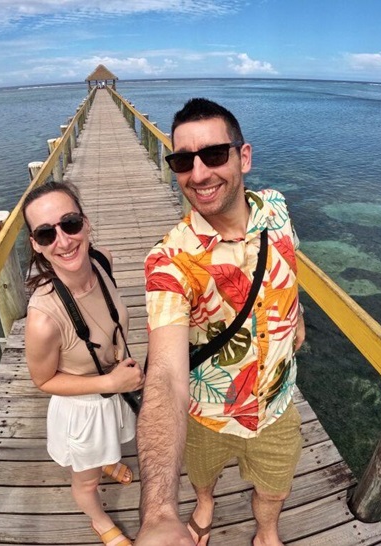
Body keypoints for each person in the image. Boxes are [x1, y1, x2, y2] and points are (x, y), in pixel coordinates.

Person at [136, 98, 306, 546]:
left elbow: (289, 268)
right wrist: (157, 513)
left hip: (277, 403)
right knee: (202, 477)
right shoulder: (169, 261)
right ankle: (204, 504)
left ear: (243, 157)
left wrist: (296, 316)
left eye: (213, 155)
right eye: (182, 160)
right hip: (206, 413)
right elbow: (167, 376)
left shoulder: (277, 208)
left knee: (275, 488)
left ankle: (266, 532)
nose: (198, 174)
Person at [23, 181, 145, 546]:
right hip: (85, 407)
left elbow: (109, 319)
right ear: (36, 245)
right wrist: (109, 384)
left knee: (112, 447)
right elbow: (43, 381)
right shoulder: (43, 319)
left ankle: (106, 460)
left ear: (86, 223)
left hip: (113, 387)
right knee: (85, 482)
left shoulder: (102, 260)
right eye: (46, 233)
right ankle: (99, 520)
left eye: (70, 223)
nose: (62, 240)